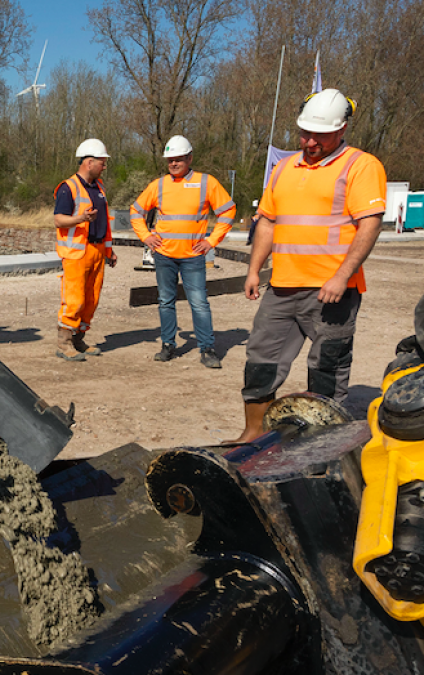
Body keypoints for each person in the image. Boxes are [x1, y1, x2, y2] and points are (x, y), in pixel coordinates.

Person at [232, 88, 387, 443]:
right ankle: (253, 433)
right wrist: (255, 269)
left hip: (332, 291)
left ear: (343, 128)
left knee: (327, 368)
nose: (310, 141)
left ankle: (324, 446)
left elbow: (370, 224)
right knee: (260, 361)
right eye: (305, 133)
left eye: (320, 134)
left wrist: (341, 276)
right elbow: (268, 222)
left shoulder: (361, 165)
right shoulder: (285, 167)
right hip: (282, 287)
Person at [129, 135, 236, 369]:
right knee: (165, 301)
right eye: (170, 160)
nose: (174, 164)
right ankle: (168, 345)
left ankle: (207, 348)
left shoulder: (206, 183)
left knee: (199, 302)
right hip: (164, 256)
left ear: (189, 158)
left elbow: (228, 211)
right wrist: (146, 237)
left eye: (178, 159)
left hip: (193, 256)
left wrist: (211, 241)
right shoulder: (158, 185)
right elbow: (136, 211)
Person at [53, 138, 117, 361]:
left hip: (97, 251)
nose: (104, 166)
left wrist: (109, 251)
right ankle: (64, 342)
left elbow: (106, 223)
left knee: (91, 299)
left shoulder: (99, 188)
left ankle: (79, 339)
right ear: (89, 163)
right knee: (74, 299)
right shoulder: (68, 188)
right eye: (102, 162)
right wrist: (80, 218)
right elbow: (59, 220)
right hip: (76, 254)